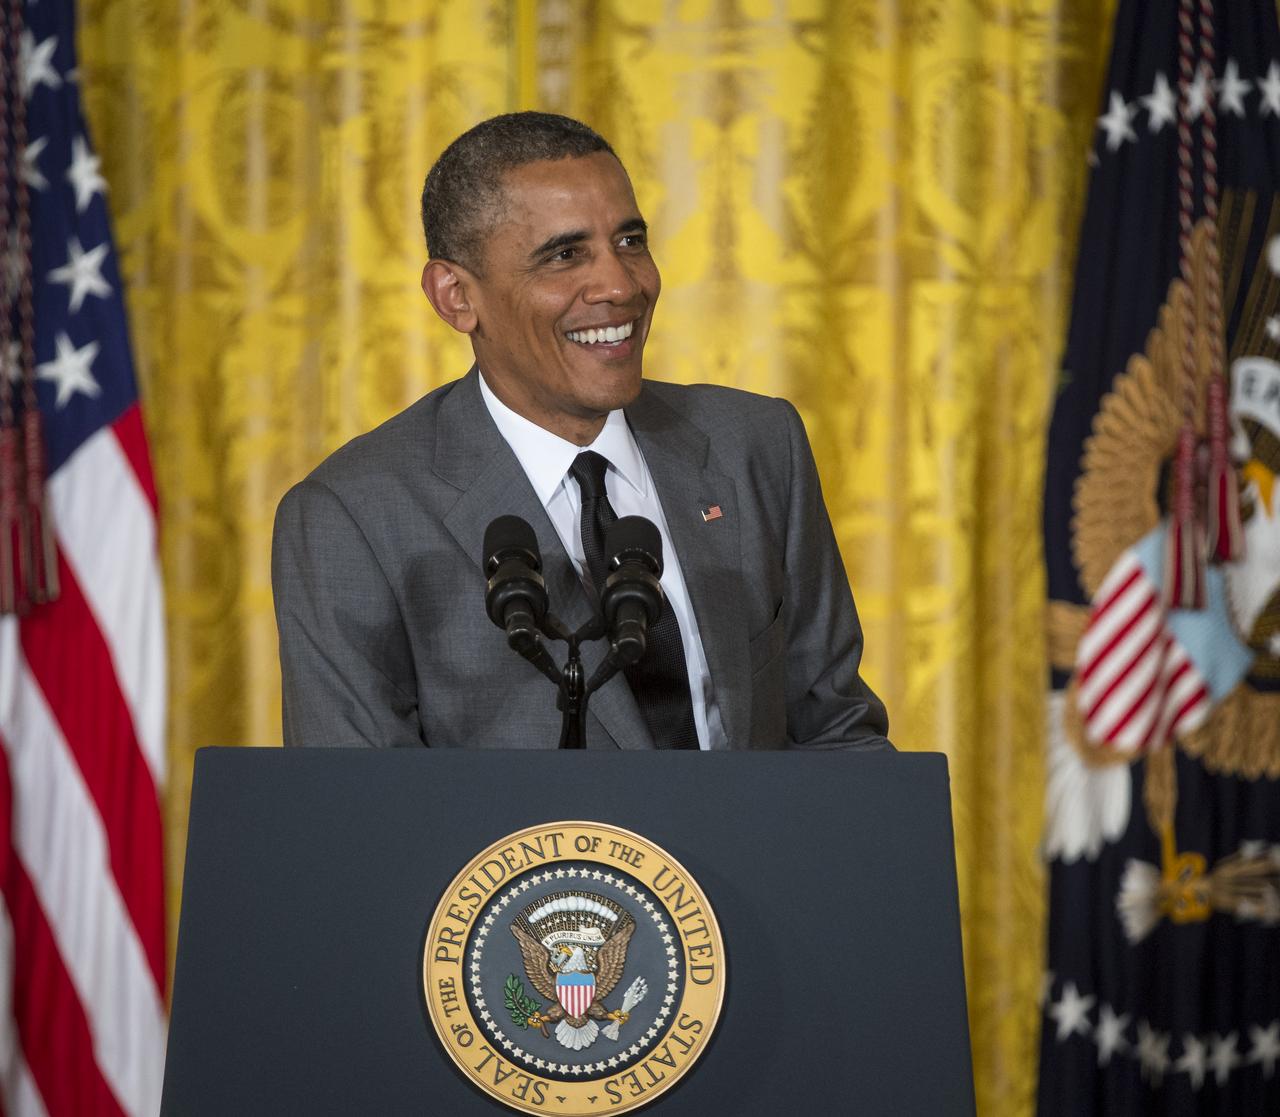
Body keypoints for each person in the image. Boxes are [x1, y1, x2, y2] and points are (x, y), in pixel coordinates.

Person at [272, 111, 890, 752]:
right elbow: (361, 816)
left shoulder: (755, 446)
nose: (622, 285)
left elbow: (836, 733)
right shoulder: (351, 518)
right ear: (456, 296)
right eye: (565, 255)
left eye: (629, 241)